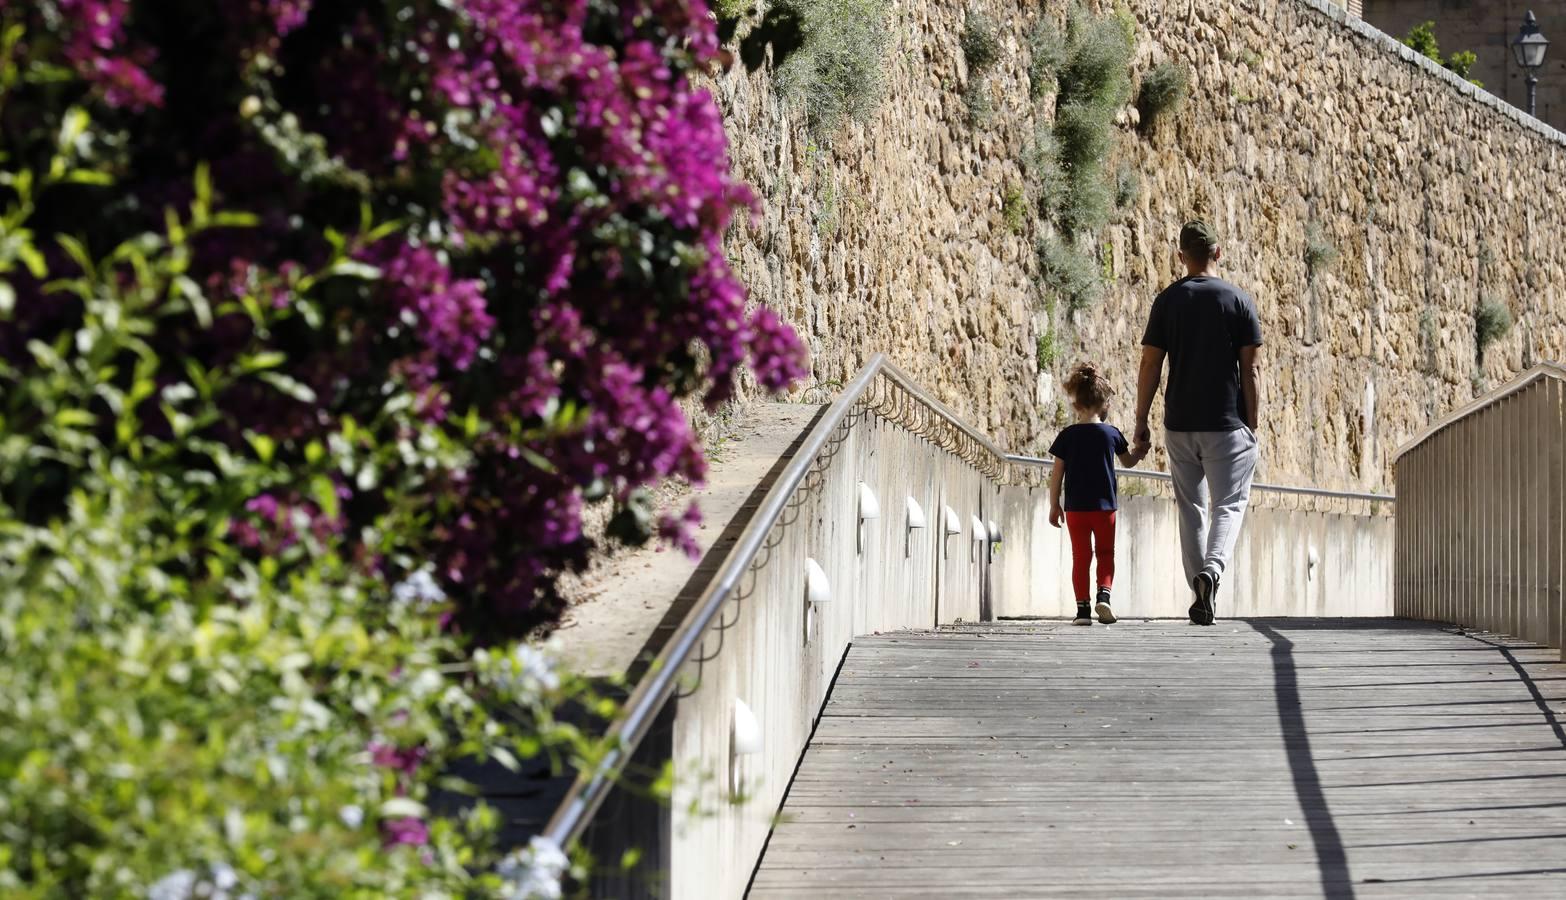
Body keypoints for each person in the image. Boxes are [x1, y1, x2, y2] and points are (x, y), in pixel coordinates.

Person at [1132, 220, 1262, 626]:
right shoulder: (1238, 300)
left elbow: (1151, 363)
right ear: (1218, 253)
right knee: (1230, 504)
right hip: (1226, 424)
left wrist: (1140, 420)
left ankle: (1198, 592)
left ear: (1181, 255)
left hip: (1180, 424)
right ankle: (1213, 570)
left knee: (1191, 508)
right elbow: (1252, 370)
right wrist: (1252, 425)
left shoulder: (1167, 301)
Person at [1048, 363, 1147, 626]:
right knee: (1105, 554)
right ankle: (1104, 595)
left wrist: (1054, 504)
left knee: (1080, 557)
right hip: (1105, 510)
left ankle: (1082, 611)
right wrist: (1141, 451)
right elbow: (1128, 462)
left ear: (1077, 404)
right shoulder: (1111, 434)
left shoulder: (1067, 436)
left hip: (1075, 509)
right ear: (1103, 404)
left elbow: (1056, 474)